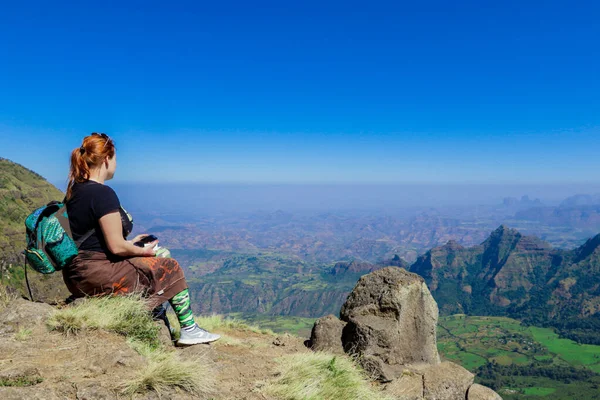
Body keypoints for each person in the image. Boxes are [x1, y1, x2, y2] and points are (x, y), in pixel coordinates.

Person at [62, 132, 220, 346]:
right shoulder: (102, 193)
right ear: (107, 159)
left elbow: (95, 241)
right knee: (169, 265)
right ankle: (189, 330)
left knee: (161, 255)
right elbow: (116, 247)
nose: (116, 164)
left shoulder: (74, 192)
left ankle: (157, 317)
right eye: (115, 158)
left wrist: (133, 243)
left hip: (76, 275)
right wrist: (144, 251)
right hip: (98, 274)